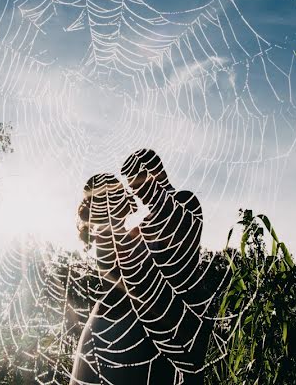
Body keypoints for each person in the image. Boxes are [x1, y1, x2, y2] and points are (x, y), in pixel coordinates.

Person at [70, 151, 210, 385]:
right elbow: (114, 276)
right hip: (127, 327)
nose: (136, 192)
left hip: (172, 322)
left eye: (139, 181)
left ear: (156, 174)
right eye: (132, 187)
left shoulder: (184, 203)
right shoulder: (128, 234)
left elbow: (175, 251)